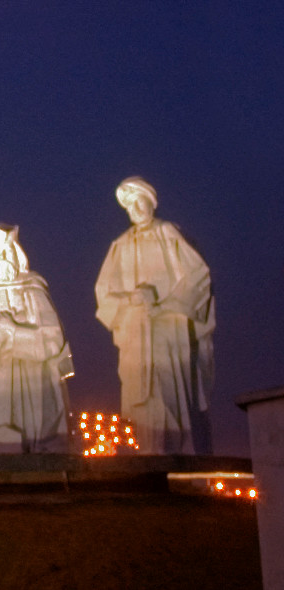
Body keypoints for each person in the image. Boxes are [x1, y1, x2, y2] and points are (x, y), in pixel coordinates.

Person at [94, 177, 214, 454]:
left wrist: (163, 302)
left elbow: (197, 276)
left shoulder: (169, 234)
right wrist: (130, 300)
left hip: (168, 328)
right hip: (135, 331)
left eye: (139, 202)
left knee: (169, 388)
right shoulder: (121, 245)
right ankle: (143, 453)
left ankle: (178, 451)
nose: (135, 210)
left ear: (152, 202)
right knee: (137, 392)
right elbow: (104, 294)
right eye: (129, 207)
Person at [0, 225, 73, 453]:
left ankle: (42, 442)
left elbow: (53, 338)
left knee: (39, 409)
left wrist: (14, 331)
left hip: (34, 369)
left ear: (16, 253)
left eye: (6, 251)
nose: (2, 258)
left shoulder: (33, 286)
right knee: (0, 411)